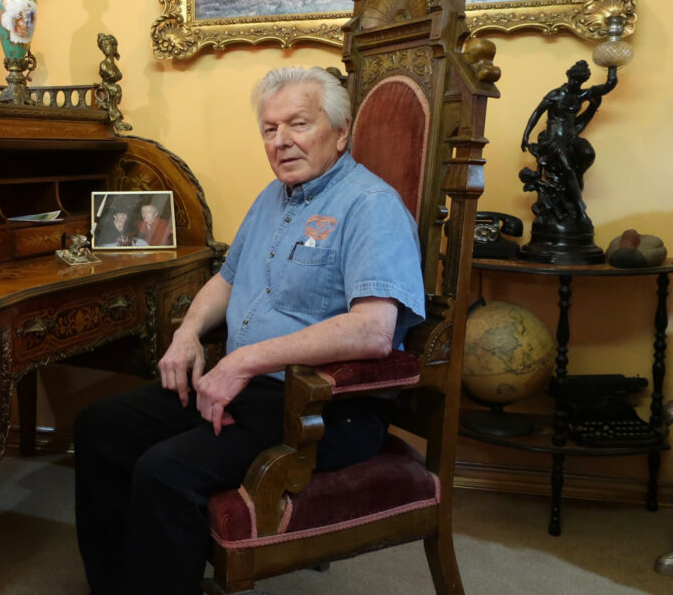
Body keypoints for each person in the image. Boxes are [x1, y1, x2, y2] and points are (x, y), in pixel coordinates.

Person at [74, 66, 425, 595]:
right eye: (269, 128)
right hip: (251, 386)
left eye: (298, 124)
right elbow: (226, 280)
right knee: (101, 426)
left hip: (323, 406)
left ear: (340, 131)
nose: (280, 141)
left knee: (165, 470)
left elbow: (373, 331)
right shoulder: (273, 197)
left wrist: (242, 360)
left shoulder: (371, 207)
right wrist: (187, 334)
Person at [520, 59, 617, 224]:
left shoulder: (581, 95)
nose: (575, 83)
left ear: (583, 81)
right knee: (567, 168)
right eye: (573, 79)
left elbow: (608, 85)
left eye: (579, 81)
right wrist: (526, 135)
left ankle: (574, 182)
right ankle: (580, 209)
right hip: (553, 139)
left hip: (571, 137)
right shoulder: (556, 94)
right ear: (568, 76)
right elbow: (537, 113)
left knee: (587, 153)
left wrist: (612, 67)